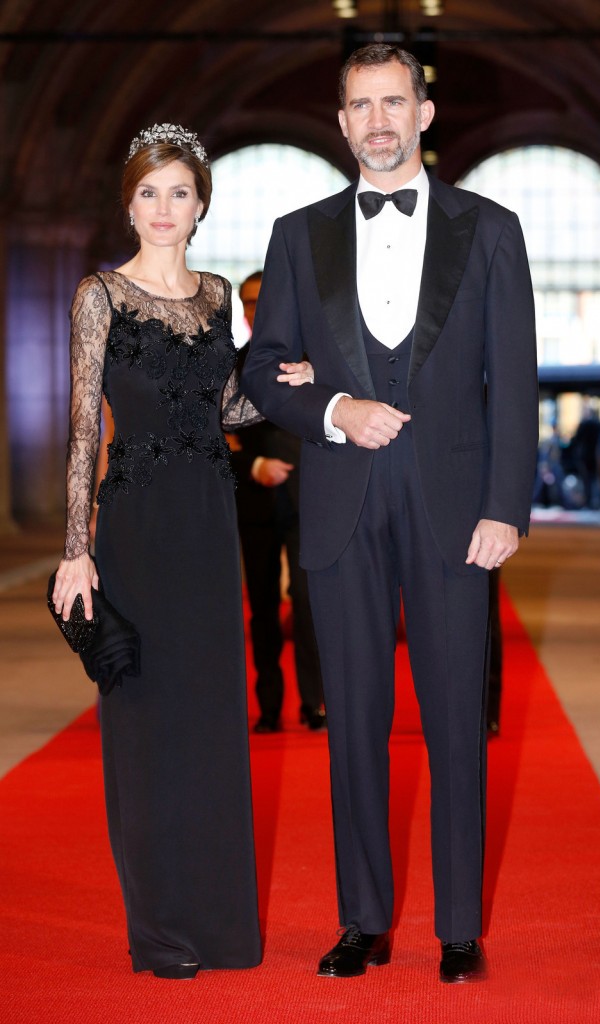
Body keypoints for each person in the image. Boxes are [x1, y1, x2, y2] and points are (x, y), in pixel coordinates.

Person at [242, 44, 538, 984]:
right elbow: (263, 368)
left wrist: (507, 506)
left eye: (393, 102)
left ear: (423, 112)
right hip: (341, 501)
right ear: (341, 122)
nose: (378, 120)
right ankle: (362, 919)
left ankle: (459, 928)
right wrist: (334, 408)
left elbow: (515, 381)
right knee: (355, 725)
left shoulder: (491, 229)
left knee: (455, 723)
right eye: (361, 105)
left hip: (456, 510)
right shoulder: (298, 234)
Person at [51, 124, 271, 979]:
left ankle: (219, 925)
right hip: (137, 528)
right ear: (129, 204)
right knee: (146, 729)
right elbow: (84, 429)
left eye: (179, 192)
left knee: (210, 724)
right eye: (149, 192)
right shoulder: (99, 296)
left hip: (210, 522)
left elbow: (227, 406)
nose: (164, 208)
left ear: (201, 203)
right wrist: (77, 550)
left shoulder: (217, 296)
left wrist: (282, 383)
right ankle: (160, 931)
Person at [230, 271, 325, 733]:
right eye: (248, 302)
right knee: (263, 607)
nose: (256, 309)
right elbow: (215, 437)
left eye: (263, 300)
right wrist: (254, 466)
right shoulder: (232, 364)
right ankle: (269, 705)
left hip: (310, 502)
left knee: (308, 603)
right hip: (256, 501)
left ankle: (315, 701)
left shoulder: (314, 360)